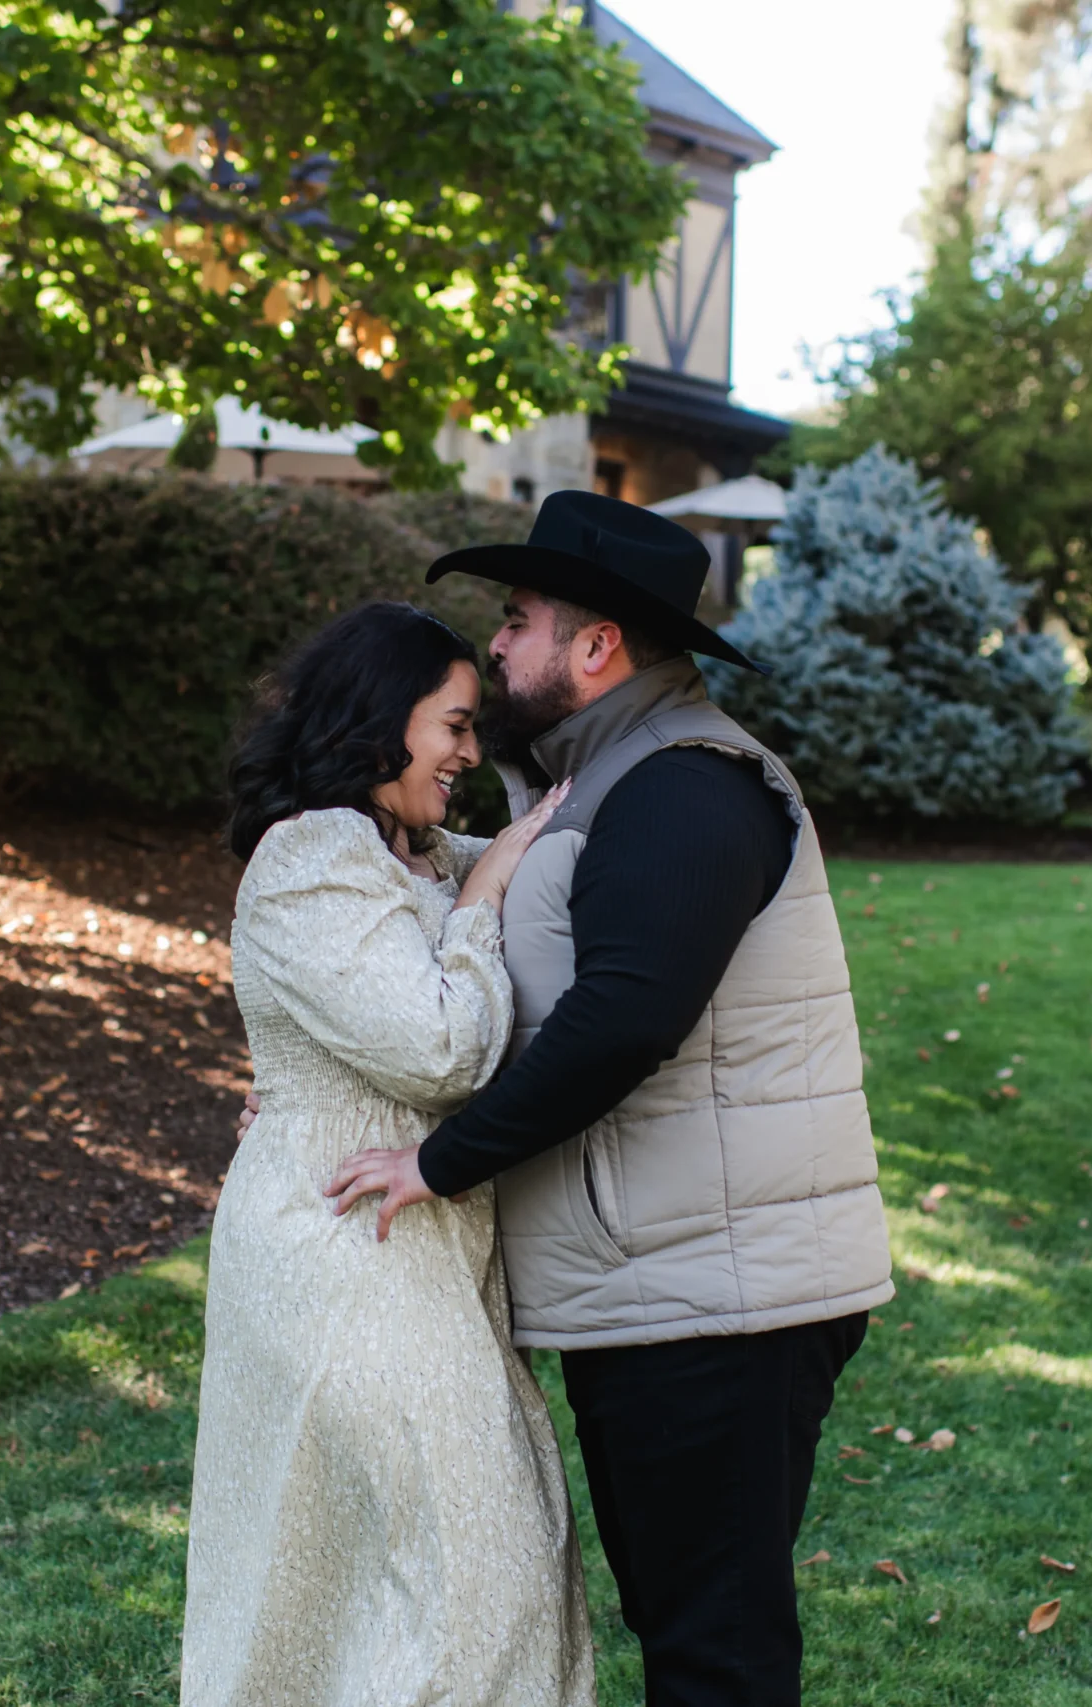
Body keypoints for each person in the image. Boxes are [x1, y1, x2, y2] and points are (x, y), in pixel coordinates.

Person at [320, 491, 894, 1707]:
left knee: (715, 1652)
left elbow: (627, 1017)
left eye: (520, 621)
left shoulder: (689, 784)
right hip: (663, 1284)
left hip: (722, 1299)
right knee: (687, 1630)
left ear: (596, 649)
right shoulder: (598, 782)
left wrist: (439, 1162)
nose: (499, 648)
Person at [183, 601, 588, 1707]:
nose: (468, 753)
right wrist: (486, 899)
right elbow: (443, 1052)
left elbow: (506, 853)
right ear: (378, 719)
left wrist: (498, 863)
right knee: (468, 1558)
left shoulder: (406, 848)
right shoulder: (312, 853)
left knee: (448, 1561)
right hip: (339, 1237)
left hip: (414, 1237)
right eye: (452, 726)